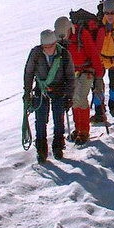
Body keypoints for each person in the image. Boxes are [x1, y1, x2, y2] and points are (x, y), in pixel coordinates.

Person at [24, 29, 75, 163]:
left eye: (51, 46)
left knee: (59, 119)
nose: (49, 50)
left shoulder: (63, 54)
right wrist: (27, 92)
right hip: (41, 91)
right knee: (41, 121)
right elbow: (28, 73)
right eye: (46, 47)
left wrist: (69, 95)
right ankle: (41, 150)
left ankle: (58, 147)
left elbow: (70, 76)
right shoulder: (36, 54)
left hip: (59, 90)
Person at [56, 15, 104, 145]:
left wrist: (98, 77)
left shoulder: (82, 34)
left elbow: (94, 54)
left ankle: (84, 131)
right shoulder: (61, 39)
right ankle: (78, 129)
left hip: (86, 71)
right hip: (71, 74)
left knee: (80, 98)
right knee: (74, 101)